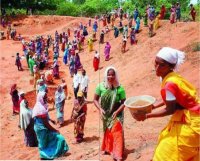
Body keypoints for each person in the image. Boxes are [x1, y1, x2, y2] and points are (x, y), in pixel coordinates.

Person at [133, 47, 200, 161]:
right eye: (156, 63)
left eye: (162, 65)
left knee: (167, 154)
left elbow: (170, 109)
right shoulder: (172, 77)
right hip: (190, 118)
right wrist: (152, 106)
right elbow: (171, 99)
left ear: (171, 67)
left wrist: (146, 116)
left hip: (191, 123)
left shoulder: (170, 83)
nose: (157, 68)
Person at [93, 66, 126, 161]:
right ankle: (108, 148)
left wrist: (117, 111)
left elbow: (124, 102)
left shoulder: (120, 88)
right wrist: (100, 109)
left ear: (115, 76)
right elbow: (95, 99)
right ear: (106, 75)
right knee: (108, 131)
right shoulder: (100, 86)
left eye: (112, 74)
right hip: (105, 114)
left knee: (117, 130)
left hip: (117, 113)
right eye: (109, 74)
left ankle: (118, 154)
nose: (110, 76)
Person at [32, 91, 69, 159]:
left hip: (38, 128)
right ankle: (47, 155)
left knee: (43, 143)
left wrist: (50, 120)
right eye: (45, 97)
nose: (46, 98)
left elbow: (43, 119)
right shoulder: (41, 109)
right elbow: (46, 124)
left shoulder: (38, 106)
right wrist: (55, 130)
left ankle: (44, 155)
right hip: (42, 129)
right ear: (41, 98)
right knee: (56, 138)